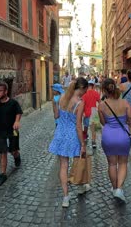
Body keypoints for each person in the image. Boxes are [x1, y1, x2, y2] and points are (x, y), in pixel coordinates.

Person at [49, 77, 89, 208]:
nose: (85, 93)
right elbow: (78, 125)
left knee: (63, 166)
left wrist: (54, 104)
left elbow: (56, 117)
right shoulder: (80, 102)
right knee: (79, 161)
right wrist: (83, 144)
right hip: (72, 135)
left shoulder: (60, 98)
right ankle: (81, 186)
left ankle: (65, 197)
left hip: (60, 134)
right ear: (82, 88)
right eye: (85, 90)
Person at [98, 78, 131, 202]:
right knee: (122, 163)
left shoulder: (102, 105)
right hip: (123, 137)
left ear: (104, 90)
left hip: (108, 136)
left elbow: (102, 122)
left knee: (111, 164)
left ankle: (114, 187)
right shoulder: (125, 103)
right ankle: (119, 189)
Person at [0, 82, 23, 186]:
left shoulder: (13, 102)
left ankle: (17, 155)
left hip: (13, 130)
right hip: (1, 131)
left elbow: (18, 112)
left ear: (6, 91)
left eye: (0, 91)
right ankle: (3, 174)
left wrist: (17, 121)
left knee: (13, 150)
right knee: (3, 152)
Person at [82, 80, 101, 148]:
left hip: (86, 112)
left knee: (86, 126)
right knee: (94, 129)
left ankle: (85, 136)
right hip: (94, 112)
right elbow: (100, 102)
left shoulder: (84, 93)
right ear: (93, 86)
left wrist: (83, 112)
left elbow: (82, 104)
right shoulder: (96, 93)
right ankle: (93, 142)